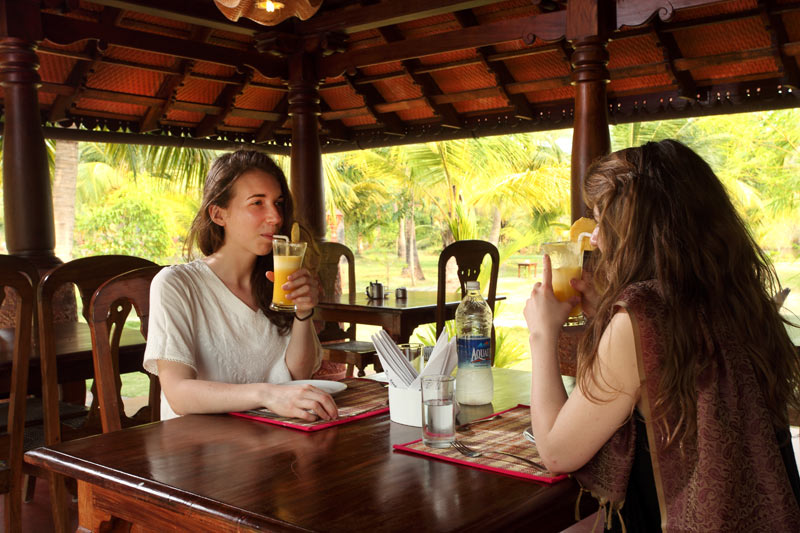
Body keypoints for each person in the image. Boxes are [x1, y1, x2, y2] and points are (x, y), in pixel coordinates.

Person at [524, 140, 800, 531]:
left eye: (603, 221)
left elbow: (556, 452)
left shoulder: (642, 314)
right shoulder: (740, 298)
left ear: (634, 228)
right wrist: (608, 312)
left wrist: (542, 333)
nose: (596, 239)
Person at [143, 150, 338, 422]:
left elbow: (297, 376)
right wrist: (266, 394)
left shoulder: (277, 283)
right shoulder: (177, 285)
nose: (275, 217)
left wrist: (303, 313)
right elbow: (178, 394)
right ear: (218, 214)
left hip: (274, 438)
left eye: (278, 203)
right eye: (257, 203)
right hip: (198, 443)